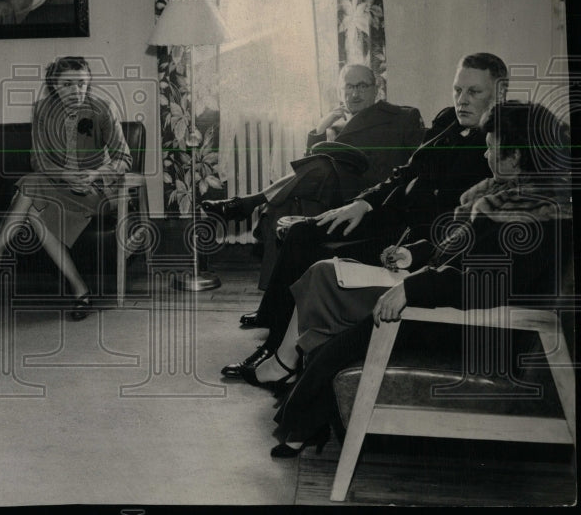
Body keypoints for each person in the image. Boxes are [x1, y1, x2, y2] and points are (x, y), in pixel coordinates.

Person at [263, 99, 572, 456]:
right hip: (474, 316)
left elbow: (486, 283)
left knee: (364, 328)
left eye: (492, 147)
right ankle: (303, 422)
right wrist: (420, 256)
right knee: (348, 328)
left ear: (516, 156)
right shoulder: (511, 196)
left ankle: (300, 423)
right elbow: (461, 251)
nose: (486, 156)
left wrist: (413, 287)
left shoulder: (535, 214)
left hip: (490, 335)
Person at [223, 52, 507, 381]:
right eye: (458, 90)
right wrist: (363, 204)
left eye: (474, 92)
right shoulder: (446, 121)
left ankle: (279, 356)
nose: (462, 101)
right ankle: (274, 342)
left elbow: (468, 226)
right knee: (304, 232)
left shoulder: (503, 144)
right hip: (389, 215)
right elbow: (404, 173)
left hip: (418, 243)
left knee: (320, 254)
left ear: (499, 93)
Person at [202, 63, 423, 320]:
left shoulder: (400, 116)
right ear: (340, 91)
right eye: (349, 87)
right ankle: (271, 308)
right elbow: (308, 171)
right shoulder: (337, 125)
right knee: (280, 208)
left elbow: (417, 166)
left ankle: (248, 203)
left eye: (363, 86)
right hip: (334, 195)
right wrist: (320, 129)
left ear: (377, 89)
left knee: (316, 170)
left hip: (371, 199)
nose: (355, 93)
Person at [0, 56, 133, 320]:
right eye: (67, 84)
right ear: (54, 87)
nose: (76, 90)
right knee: (34, 207)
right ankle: (80, 290)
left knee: (29, 189)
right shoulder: (42, 110)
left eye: (82, 83)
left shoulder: (104, 108)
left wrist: (95, 173)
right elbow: (38, 160)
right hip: (60, 190)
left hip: (97, 193)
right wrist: (64, 176)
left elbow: (124, 158)